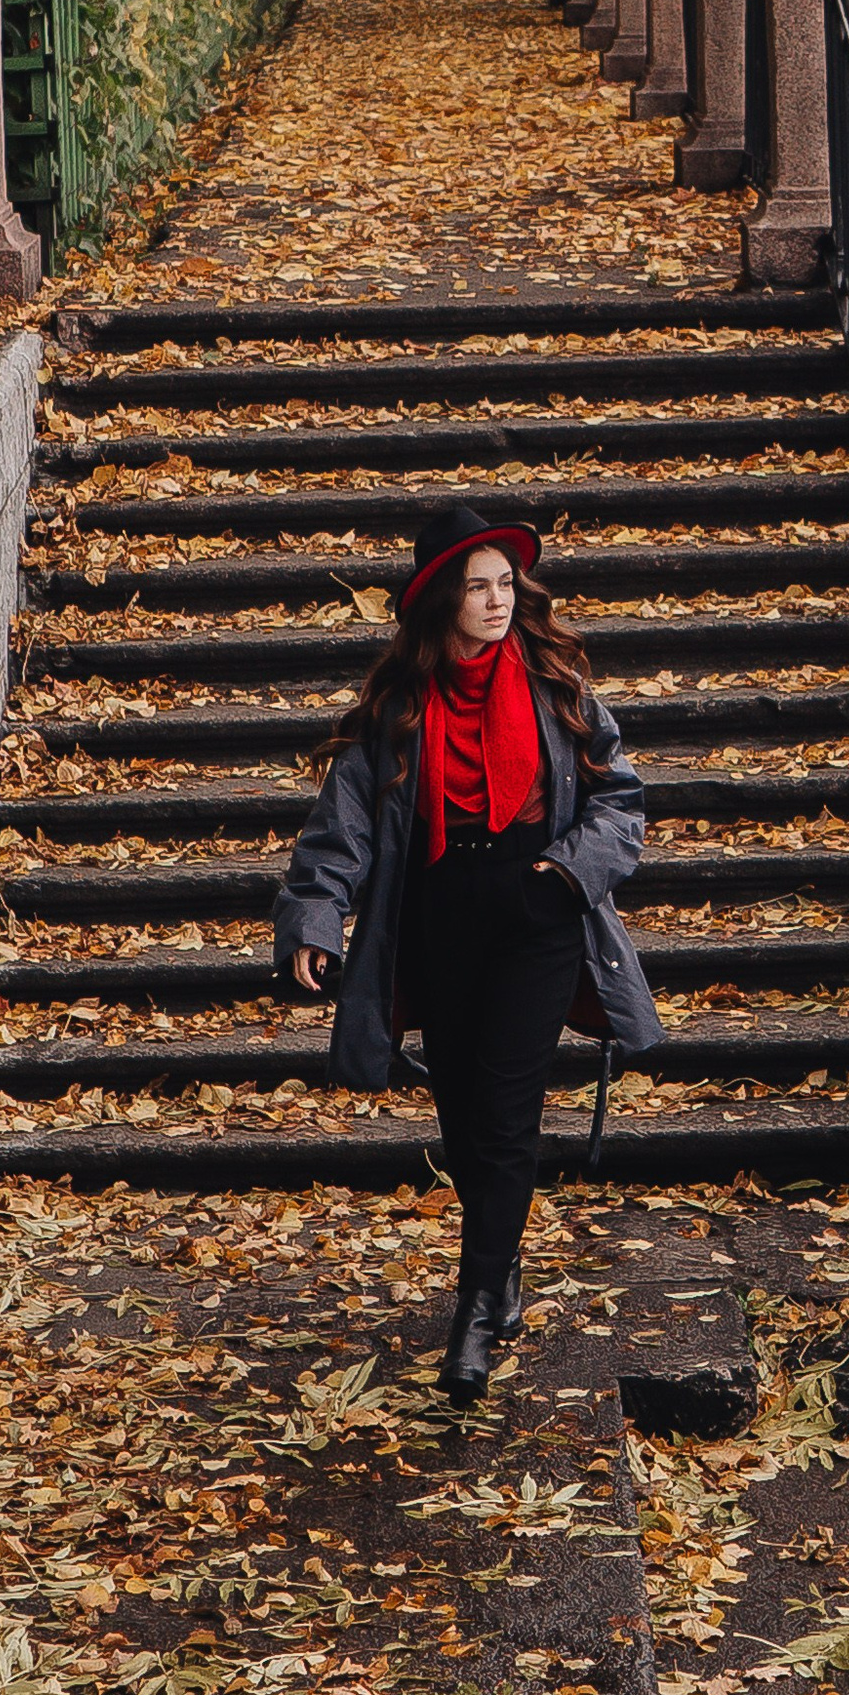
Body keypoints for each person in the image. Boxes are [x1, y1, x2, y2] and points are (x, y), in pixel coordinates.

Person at [274, 502, 662, 1403]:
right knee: (462, 1115)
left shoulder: (556, 681)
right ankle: (505, 1259)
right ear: (442, 599)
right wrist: (317, 918)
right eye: (477, 586)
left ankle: (475, 1308)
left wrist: (565, 875)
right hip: (437, 924)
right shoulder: (397, 706)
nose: (496, 601)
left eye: (504, 584)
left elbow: (621, 803)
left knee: (508, 1110)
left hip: (538, 915)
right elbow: (343, 830)